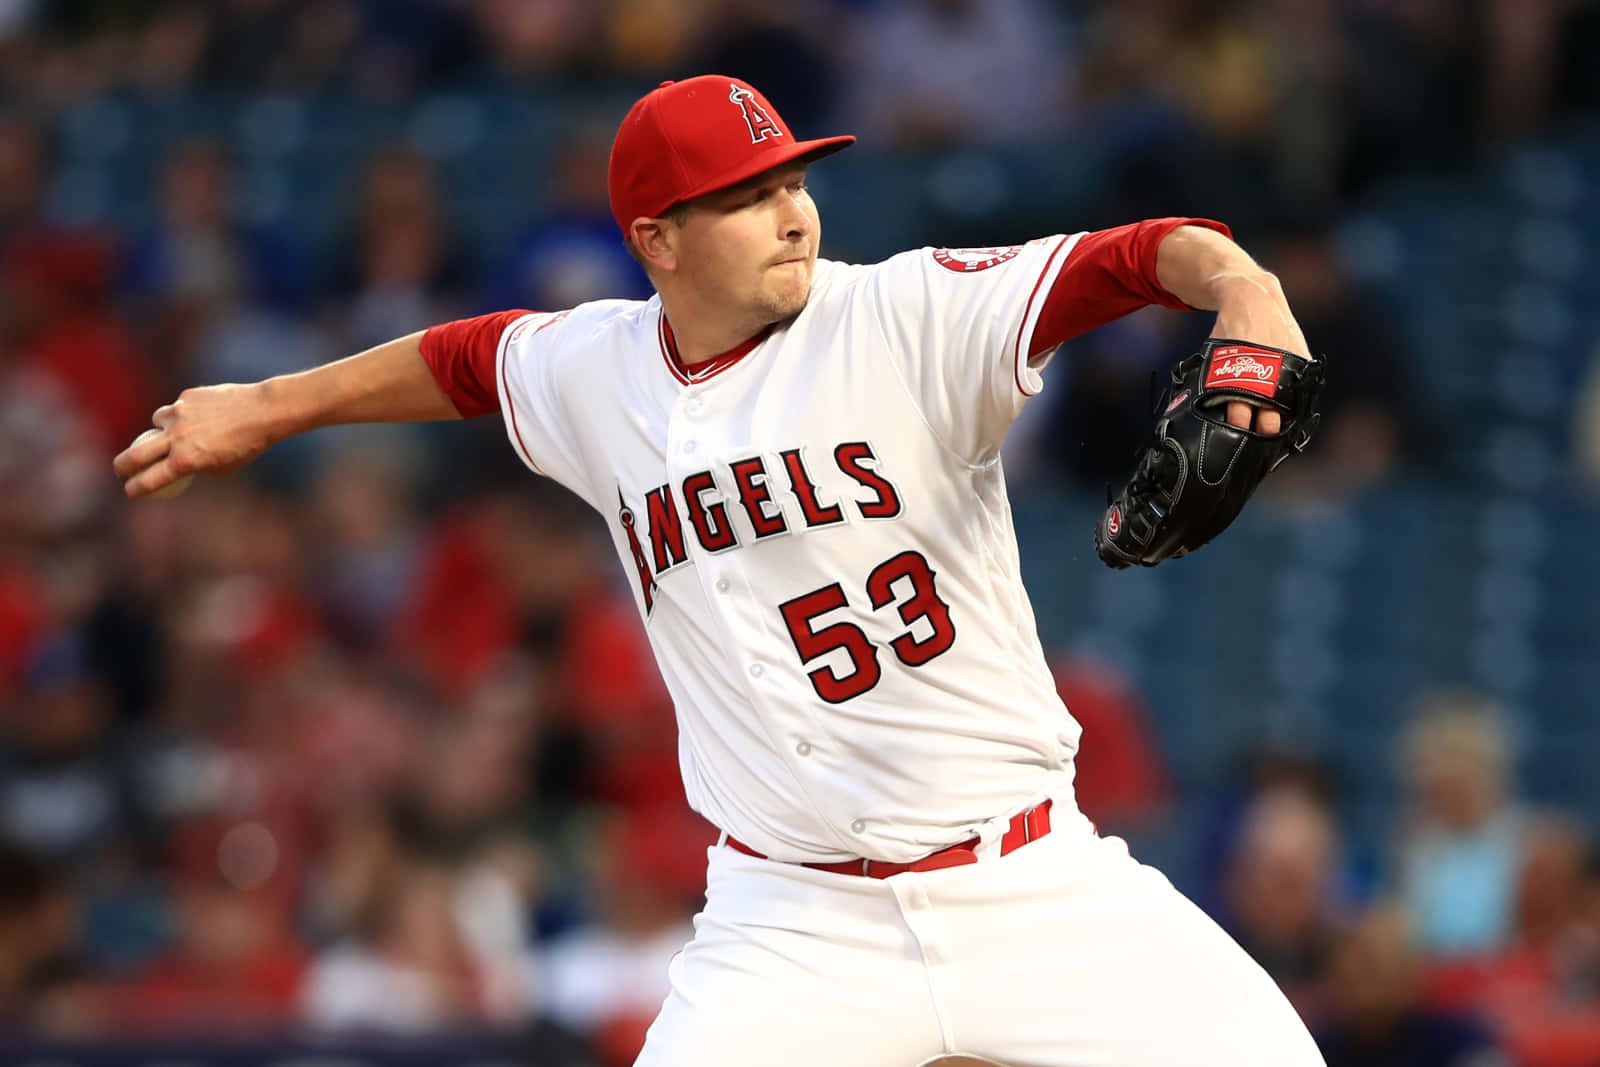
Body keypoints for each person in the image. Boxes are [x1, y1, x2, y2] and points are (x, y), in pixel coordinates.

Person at [115, 75, 1325, 1066]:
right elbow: (464, 359)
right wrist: (268, 406)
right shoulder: (596, 368)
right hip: (795, 922)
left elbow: (1142, 255)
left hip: (1027, 880)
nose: (793, 213)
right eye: (749, 197)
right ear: (657, 238)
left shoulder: (903, 315)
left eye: (793, 182)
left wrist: (1248, 294)